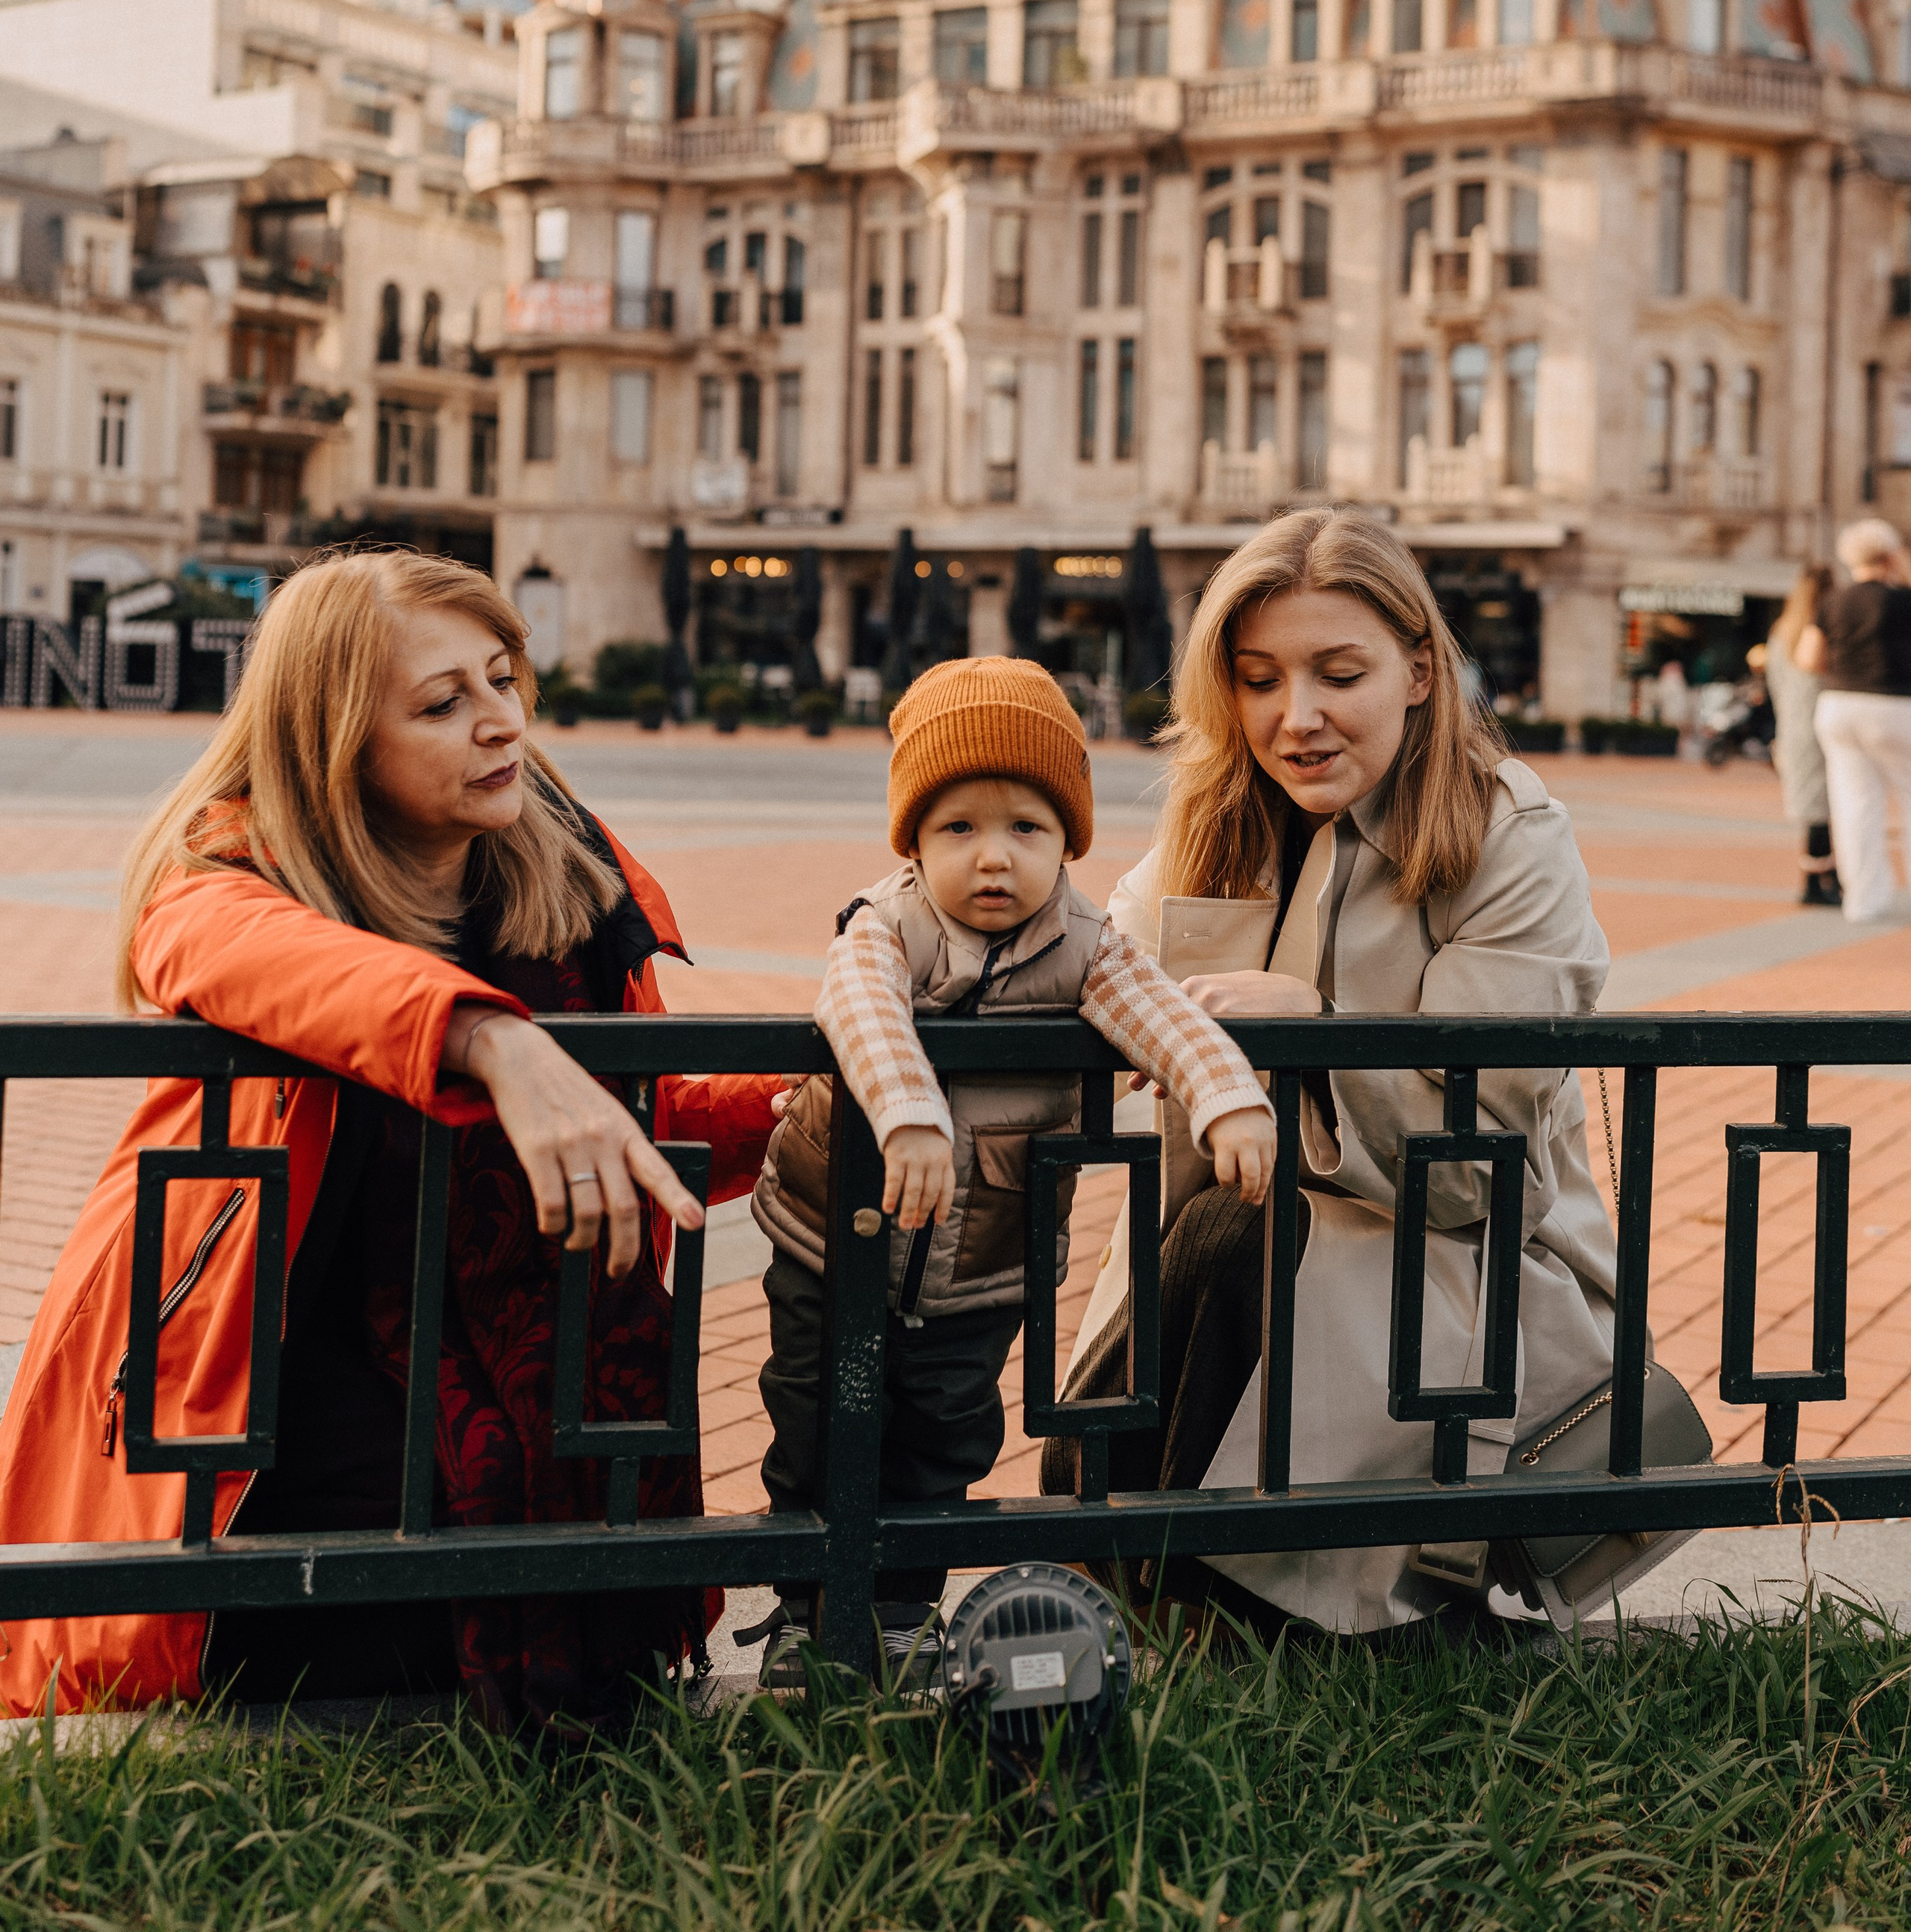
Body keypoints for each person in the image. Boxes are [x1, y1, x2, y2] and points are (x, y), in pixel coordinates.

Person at [0, 550, 779, 1730]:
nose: (499, 722)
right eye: (441, 703)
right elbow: (220, 945)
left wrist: (785, 1114)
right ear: (336, 742)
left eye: (504, 679)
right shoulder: (226, 877)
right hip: (284, 1451)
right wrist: (487, 1042)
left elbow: (621, 1137)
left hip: (534, 1430)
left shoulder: (572, 899)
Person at [1042, 507, 1621, 1641]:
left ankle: (1136, 1616)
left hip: (1464, 1283)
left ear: (1417, 670)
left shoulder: (1507, 835)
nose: (1294, 718)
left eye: (1337, 673)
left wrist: (1317, 1027)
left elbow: (1473, 1163)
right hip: (1234, 1284)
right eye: (1258, 680)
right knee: (1212, 1233)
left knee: (1224, 1232)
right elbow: (1085, 966)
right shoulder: (1211, 827)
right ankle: (1118, 1614)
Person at [746, 655, 1279, 1689]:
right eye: (959, 830)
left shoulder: (1087, 947)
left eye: (1026, 830)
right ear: (912, 841)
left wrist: (1229, 1099)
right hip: (832, 1239)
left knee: (945, 1437)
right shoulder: (886, 924)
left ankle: (903, 1612)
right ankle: (803, 1613)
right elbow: (858, 1006)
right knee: (812, 1420)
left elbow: (1165, 1018)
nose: (994, 859)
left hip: (982, 1260)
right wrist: (908, 1113)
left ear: (1067, 841)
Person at [1798, 518, 1911, 923]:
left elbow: (1809, 658)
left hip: (1839, 705)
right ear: (1889, 556)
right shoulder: (1903, 600)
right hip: (1895, 705)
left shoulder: (1834, 602)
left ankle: (1863, 901)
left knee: (1855, 804)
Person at [1762, 564, 1839, 906]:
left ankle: (1820, 877)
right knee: (1831, 805)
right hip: (1824, 721)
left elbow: (1776, 686)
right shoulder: (1825, 629)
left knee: (1813, 808)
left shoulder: (1782, 631)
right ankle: (1821, 880)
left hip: (1793, 724)